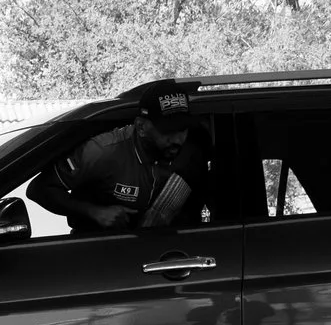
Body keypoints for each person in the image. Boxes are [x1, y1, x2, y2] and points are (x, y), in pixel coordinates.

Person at [28, 82, 211, 232]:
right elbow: (39, 189)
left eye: (183, 130)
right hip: (99, 253)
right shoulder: (102, 151)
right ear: (141, 127)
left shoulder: (191, 154)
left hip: (166, 253)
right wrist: (95, 212)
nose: (177, 139)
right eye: (168, 131)